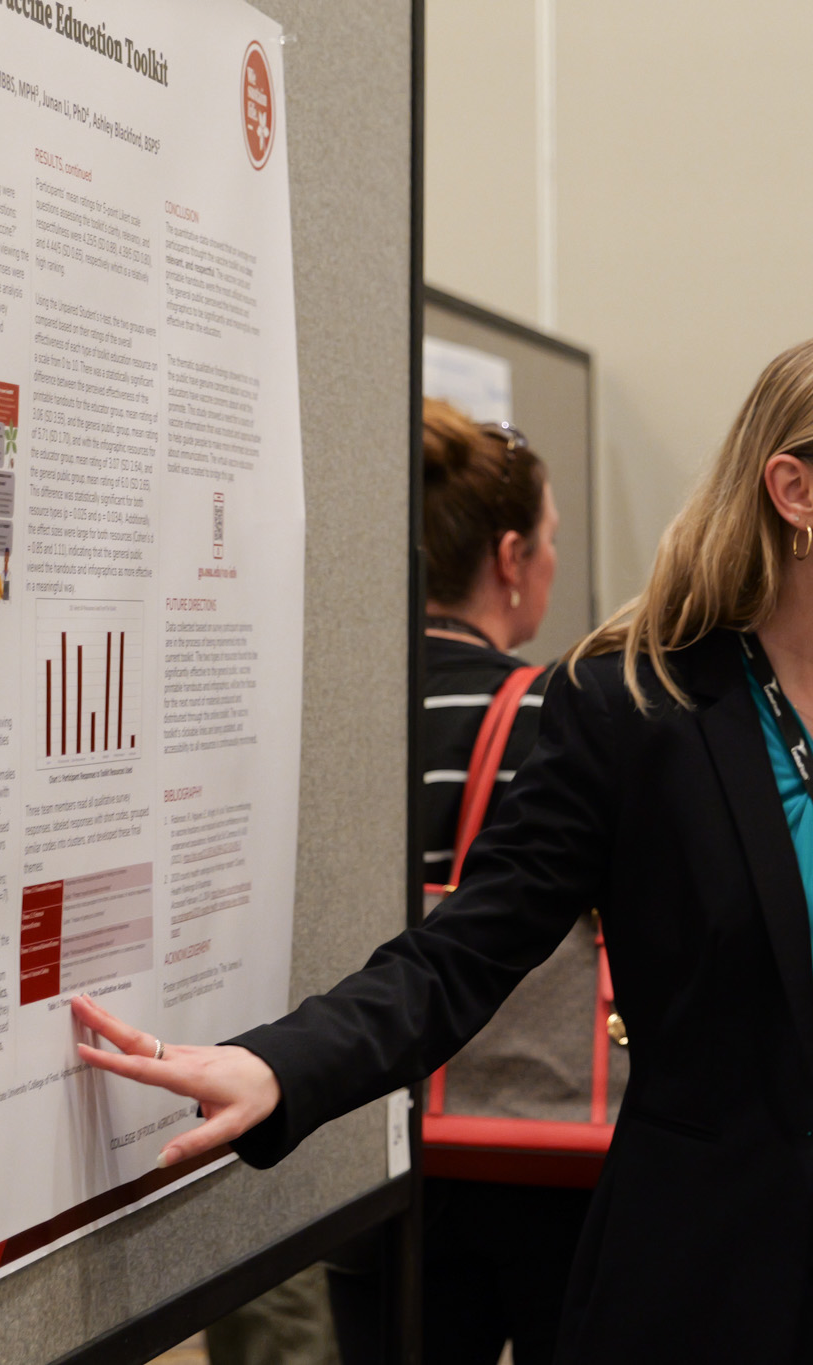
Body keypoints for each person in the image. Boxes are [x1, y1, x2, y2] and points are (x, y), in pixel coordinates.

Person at [71, 337, 813, 1364]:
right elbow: (467, 950)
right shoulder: (637, 710)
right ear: (793, 488)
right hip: (727, 1275)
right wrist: (277, 1065)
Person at [326, 399, 591, 1365]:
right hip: (548, 1149)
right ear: (513, 556)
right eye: (552, 542)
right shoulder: (558, 717)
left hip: (365, 1138)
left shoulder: (337, 710)